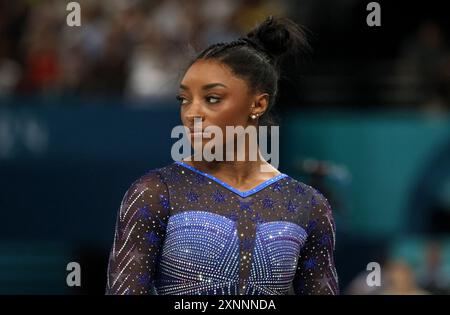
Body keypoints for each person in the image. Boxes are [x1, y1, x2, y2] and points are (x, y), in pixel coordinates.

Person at [105, 15, 339, 295]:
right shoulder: (156, 193)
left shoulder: (308, 205)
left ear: (258, 104)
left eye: (212, 98)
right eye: (184, 99)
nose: (192, 113)